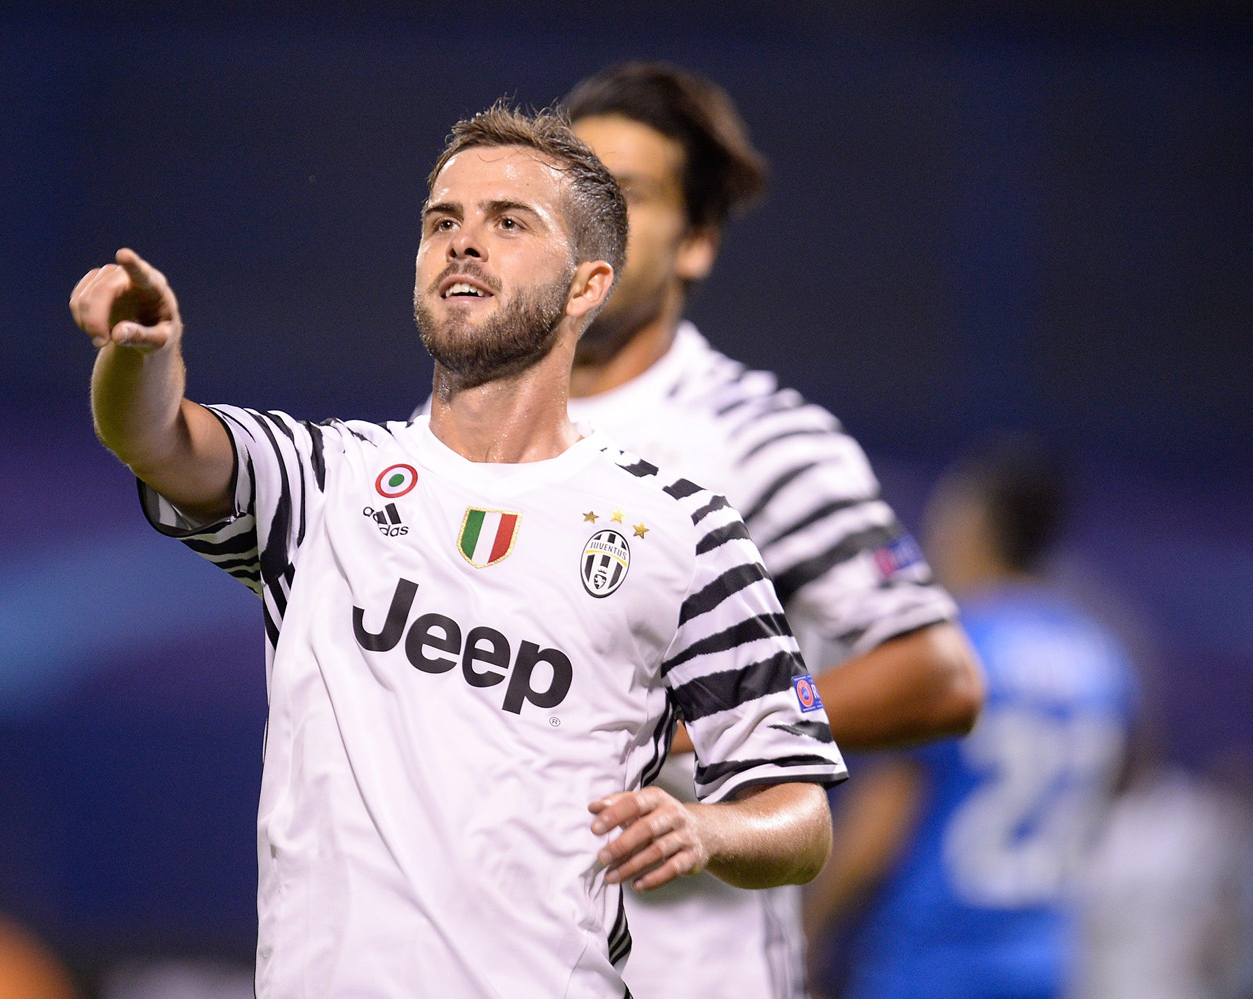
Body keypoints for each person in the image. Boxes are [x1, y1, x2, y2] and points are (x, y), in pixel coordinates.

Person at [68, 103, 846, 998]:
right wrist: (139, 353)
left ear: (587, 285)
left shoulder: (683, 531)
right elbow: (156, 436)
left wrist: (709, 829)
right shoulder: (322, 482)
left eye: (509, 222)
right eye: (443, 221)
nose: (463, 242)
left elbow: (799, 816)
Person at [556, 62, 984, 997]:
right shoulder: (464, 434)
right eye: (574, 189)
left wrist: (698, 732)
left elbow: (938, 672)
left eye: (629, 195)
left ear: (698, 242)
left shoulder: (758, 435)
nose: (592, 219)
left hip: (691, 967)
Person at [802, 439, 1136, 999]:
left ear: (977, 524)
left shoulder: (949, 655)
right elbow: (1111, 794)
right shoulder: (1102, 659)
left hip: (930, 964)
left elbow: (883, 819)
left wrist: (811, 929)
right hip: (1043, 961)